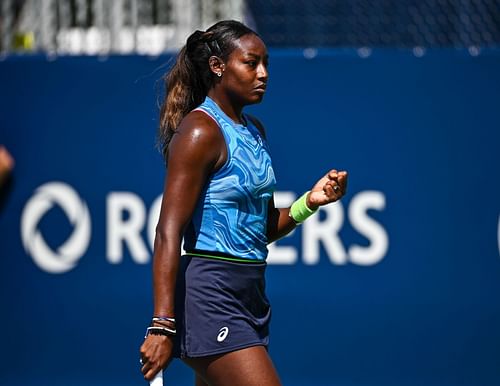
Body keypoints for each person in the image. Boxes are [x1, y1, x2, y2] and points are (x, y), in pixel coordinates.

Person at [140, 20, 348, 386]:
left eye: (266, 63)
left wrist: (310, 203)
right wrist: (162, 325)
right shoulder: (200, 131)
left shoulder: (255, 132)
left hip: (250, 295)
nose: (263, 73)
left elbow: (262, 228)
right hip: (210, 297)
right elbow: (167, 231)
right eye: (251, 63)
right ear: (218, 66)